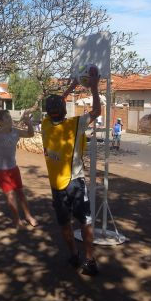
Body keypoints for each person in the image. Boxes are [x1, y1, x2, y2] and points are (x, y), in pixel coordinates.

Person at [41, 66, 101, 276]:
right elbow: (97, 111)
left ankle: (74, 255)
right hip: (74, 182)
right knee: (85, 221)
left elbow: (57, 105)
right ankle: (90, 260)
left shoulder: (45, 125)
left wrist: (72, 86)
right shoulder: (75, 125)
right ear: (64, 110)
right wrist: (94, 87)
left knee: (64, 223)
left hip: (56, 185)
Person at [0, 110, 38, 228]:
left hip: (12, 167)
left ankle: (28, 216)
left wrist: (29, 124)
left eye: (9, 117)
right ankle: (17, 220)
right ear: (0, 121)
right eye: (6, 118)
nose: (10, 119)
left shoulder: (15, 132)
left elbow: (30, 134)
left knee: (20, 192)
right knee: (10, 194)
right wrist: (1, 129)